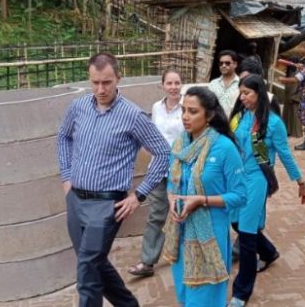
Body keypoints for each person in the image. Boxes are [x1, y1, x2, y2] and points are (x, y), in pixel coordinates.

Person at [57, 52, 171, 307]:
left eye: (107, 82)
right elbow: (63, 137)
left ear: (119, 78)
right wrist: (66, 177)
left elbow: (164, 152)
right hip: (75, 199)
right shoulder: (78, 107)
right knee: (92, 263)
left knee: (87, 272)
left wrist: (139, 195)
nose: (100, 89)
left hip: (108, 205)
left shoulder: (133, 116)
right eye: (95, 82)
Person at [227, 74, 305, 307]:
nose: (242, 97)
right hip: (238, 178)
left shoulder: (273, 123)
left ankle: (241, 292)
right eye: (241, 93)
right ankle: (269, 252)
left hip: (257, 180)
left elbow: (285, 155)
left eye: (247, 93)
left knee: (245, 233)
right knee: (236, 223)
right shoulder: (241, 117)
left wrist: (301, 182)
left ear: (259, 94)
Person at [163, 86, 247, 307]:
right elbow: (172, 183)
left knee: (204, 300)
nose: (185, 117)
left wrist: (203, 200)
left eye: (193, 111)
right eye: (183, 110)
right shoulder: (180, 144)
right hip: (181, 234)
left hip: (210, 234)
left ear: (209, 115)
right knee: (185, 297)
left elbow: (240, 195)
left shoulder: (224, 147)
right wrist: (172, 200)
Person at [128, 69, 184, 278]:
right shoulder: (156, 107)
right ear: (162, 85)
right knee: (156, 215)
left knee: (184, 212)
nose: (173, 87)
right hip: (158, 169)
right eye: (169, 83)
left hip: (181, 169)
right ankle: (147, 262)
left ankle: (187, 254)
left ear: (182, 85)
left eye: (177, 83)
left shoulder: (188, 106)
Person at [278, 45, 305, 151]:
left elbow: (297, 79)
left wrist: (283, 79)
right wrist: (302, 67)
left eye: (304, 50)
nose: (303, 52)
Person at [208, 50, 240, 117]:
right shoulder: (213, 84)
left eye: (227, 63)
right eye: (221, 63)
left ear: (235, 64)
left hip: (234, 124)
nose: (223, 65)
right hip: (215, 124)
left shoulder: (241, 84)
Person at [281, 58, 304, 138]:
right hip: (288, 95)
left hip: (294, 95)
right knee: (287, 114)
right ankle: (288, 130)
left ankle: (296, 133)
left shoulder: (297, 72)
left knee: (295, 115)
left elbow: (295, 85)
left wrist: (292, 96)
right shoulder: (290, 71)